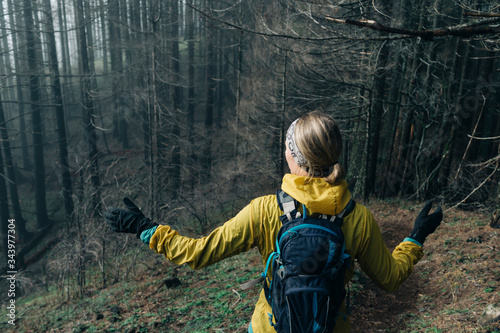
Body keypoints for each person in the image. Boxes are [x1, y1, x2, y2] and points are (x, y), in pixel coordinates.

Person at [104, 111, 443, 332]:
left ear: (294, 158)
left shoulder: (265, 211)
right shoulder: (358, 218)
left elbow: (196, 254)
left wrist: (144, 228)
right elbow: (390, 278)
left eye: (286, 145)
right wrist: (415, 237)